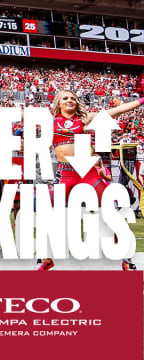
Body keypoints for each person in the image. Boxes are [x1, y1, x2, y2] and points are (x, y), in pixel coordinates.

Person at [37, 89, 144, 272]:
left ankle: (126, 259)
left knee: (112, 213)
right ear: (58, 103)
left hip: (89, 173)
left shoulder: (85, 118)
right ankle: (47, 260)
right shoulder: (49, 120)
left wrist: (141, 100)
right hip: (65, 174)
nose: (70, 100)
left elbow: (116, 111)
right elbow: (23, 115)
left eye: (73, 98)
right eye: (65, 98)